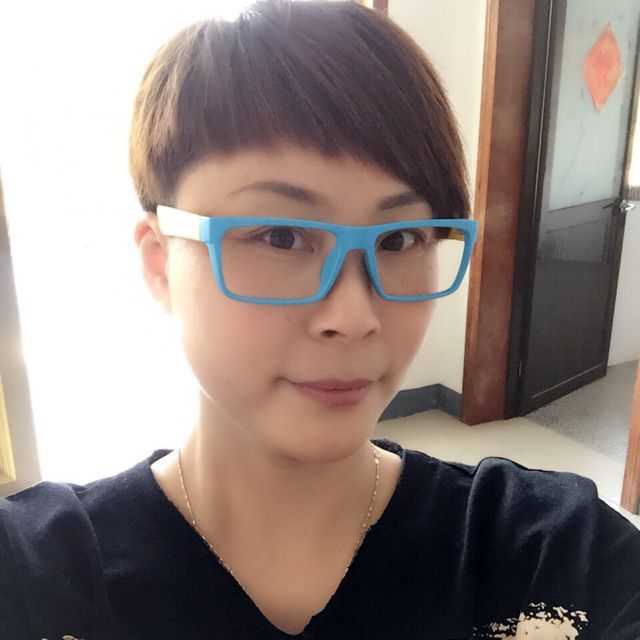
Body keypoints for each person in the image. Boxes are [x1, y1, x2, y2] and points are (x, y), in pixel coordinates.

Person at [1, 1, 639, 638]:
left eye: (399, 240)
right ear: (161, 262)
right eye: (280, 237)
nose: (354, 317)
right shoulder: (37, 576)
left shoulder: (547, 556)